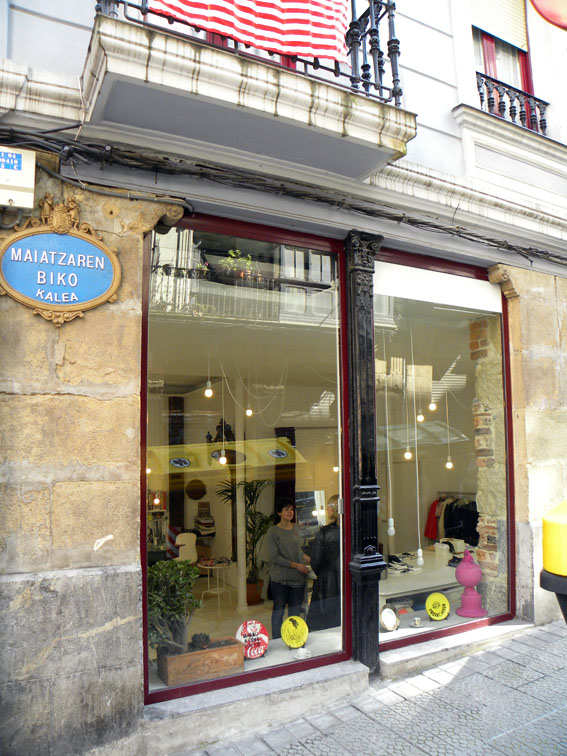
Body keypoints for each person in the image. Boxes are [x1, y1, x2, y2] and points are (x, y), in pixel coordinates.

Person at [266, 499, 311, 639]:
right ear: (279, 512)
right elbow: (274, 557)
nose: (290, 512)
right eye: (286, 509)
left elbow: (298, 552)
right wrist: (297, 565)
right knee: (278, 612)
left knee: (294, 614)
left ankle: (293, 640)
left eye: (291, 509)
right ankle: (277, 641)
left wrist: (310, 560)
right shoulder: (273, 531)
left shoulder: (297, 528)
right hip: (280, 579)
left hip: (297, 579)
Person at [307, 495, 341, 631]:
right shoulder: (353, 530)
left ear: (334, 509)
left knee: (323, 625)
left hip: (326, 583)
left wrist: (324, 572)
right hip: (348, 581)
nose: (327, 509)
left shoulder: (324, 533)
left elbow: (315, 561)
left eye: (329, 506)